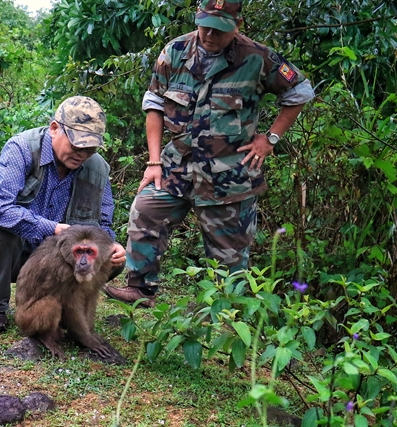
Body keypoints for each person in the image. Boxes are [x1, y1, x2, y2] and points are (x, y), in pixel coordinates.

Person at [104, 0, 315, 308]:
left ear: (237, 25)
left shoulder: (257, 57)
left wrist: (269, 139)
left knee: (230, 257)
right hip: (176, 167)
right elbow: (154, 103)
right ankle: (141, 289)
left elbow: (299, 92)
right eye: (205, 26)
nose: (210, 35)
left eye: (219, 30)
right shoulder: (175, 51)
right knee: (146, 210)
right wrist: (153, 162)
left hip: (229, 177)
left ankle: (227, 315)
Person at [0, 96, 126, 331]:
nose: (82, 154)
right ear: (55, 129)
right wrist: (52, 228)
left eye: (90, 148)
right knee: (1, 228)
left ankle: (66, 310)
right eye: (77, 145)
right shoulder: (22, 149)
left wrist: (112, 245)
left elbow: (103, 224)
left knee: (110, 258)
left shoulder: (96, 167)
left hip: (51, 261)